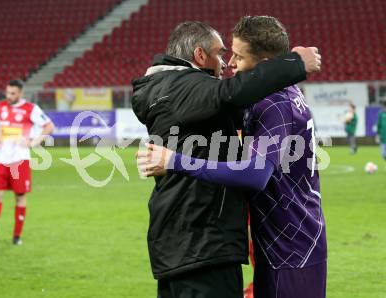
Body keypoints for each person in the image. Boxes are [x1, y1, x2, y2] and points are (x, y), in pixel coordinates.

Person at [137, 16, 327, 298]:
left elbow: (254, 174)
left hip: (290, 243)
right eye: (228, 54)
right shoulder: (279, 95)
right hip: (282, 235)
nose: (232, 64)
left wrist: (174, 161)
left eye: (238, 56)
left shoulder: (274, 103)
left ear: (265, 66)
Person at [0, 80, 54, 245]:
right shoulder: (0, 106)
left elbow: (49, 126)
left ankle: (17, 236)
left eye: (12, 93)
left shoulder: (31, 109)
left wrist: (33, 142)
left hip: (19, 160)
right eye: (7, 92)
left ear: (20, 94)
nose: (8, 96)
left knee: (20, 196)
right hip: (1, 159)